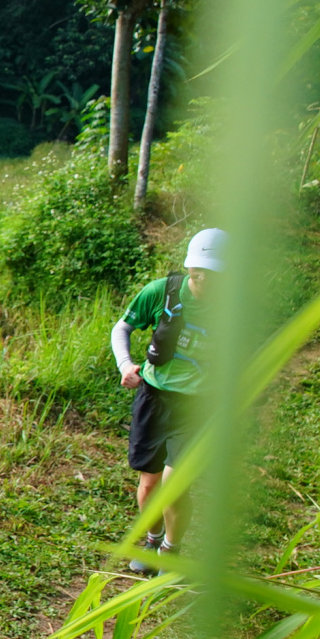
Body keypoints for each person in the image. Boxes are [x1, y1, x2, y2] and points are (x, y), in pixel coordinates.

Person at [111, 227, 225, 574]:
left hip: (199, 406)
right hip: (154, 397)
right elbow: (122, 328)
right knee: (149, 484)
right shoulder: (162, 292)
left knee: (174, 485)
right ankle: (152, 540)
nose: (205, 281)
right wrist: (126, 365)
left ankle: (170, 552)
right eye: (198, 273)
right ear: (189, 268)